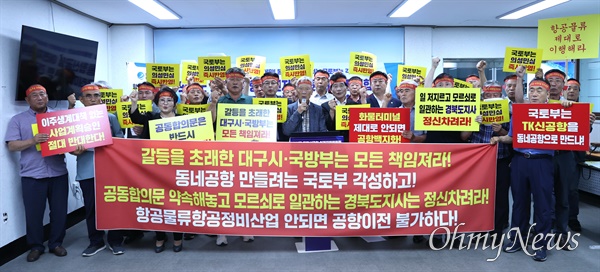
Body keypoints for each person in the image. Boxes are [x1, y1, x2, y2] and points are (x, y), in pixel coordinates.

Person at [491, 67, 555, 262]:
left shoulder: (556, 111)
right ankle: (518, 239)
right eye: (532, 91)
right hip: (520, 161)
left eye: (539, 91)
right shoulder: (521, 112)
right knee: (519, 203)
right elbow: (512, 137)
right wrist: (500, 139)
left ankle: (541, 244)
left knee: (543, 205)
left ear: (547, 94)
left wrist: (567, 104)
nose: (534, 94)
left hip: (542, 163)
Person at [5, 84, 69, 262]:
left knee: (59, 212)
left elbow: (70, 141)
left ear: (47, 97)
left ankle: (56, 243)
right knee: (33, 213)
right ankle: (36, 246)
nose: (40, 98)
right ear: (27, 100)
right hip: (32, 175)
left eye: (43, 94)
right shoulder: (18, 120)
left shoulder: (58, 118)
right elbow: (11, 145)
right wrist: (33, 140)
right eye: (35, 96)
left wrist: (75, 147)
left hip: (58, 173)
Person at [69, 84, 126, 256]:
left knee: (113, 206)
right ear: (82, 99)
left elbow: (121, 139)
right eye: (89, 96)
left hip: (110, 169)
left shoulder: (110, 117)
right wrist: (74, 150)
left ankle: (115, 240)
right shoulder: (74, 119)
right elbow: (68, 144)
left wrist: (110, 142)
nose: (93, 99)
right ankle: (96, 241)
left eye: (96, 95)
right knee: (91, 208)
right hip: (87, 170)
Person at [129, 86, 185, 253]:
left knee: (177, 206)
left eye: (169, 100)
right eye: (162, 100)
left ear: (175, 104)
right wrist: (133, 102)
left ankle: (177, 237)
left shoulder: (183, 119)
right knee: (157, 205)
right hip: (155, 171)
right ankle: (160, 237)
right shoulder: (150, 119)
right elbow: (135, 116)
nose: (166, 103)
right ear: (157, 103)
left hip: (177, 170)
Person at [464, 81, 512, 242]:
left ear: (500, 96)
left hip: (501, 159)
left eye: (495, 95)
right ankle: (479, 229)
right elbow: (465, 136)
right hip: (479, 161)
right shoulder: (474, 109)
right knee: (479, 196)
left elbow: (512, 136)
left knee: (500, 197)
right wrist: (473, 122)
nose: (491, 98)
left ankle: (497, 232)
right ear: (483, 96)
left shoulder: (508, 110)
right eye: (488, 95)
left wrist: (501, 130)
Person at [320, 73, 359, 140]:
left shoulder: (355, 105)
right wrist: (332, 111)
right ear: (331, 90)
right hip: (334, 141)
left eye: (341, 86)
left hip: (351, 140)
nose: (338, 89)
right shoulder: (325, 106)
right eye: (335, 86)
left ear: (347, 88)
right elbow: (328, 127)